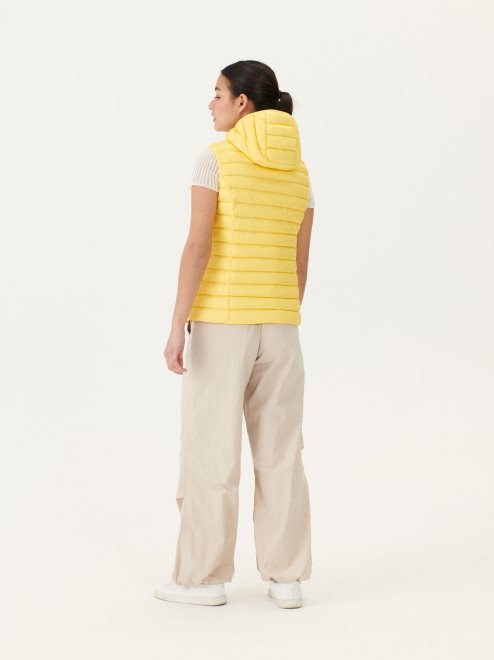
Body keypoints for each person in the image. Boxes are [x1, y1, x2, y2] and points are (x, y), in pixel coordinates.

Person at [154, 60, 314, 609]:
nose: (211, 103)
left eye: (218, 94)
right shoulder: (300, 171)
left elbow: (197, 246)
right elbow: (299, 264)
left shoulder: (214, 159)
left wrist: (177, 324)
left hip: (223, 326)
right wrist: (279, 314)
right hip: (282, 328)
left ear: (243, 102)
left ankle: (202, 579)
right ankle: (287, 579)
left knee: (210, 450)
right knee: (281, 453)